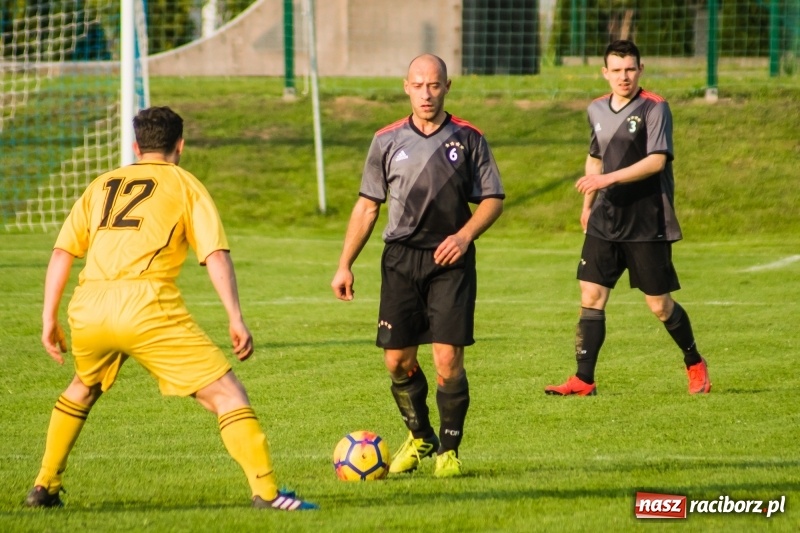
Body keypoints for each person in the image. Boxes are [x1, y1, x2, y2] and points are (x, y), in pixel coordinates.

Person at [25, 106, 317, 511]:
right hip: (146, 305)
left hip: (88, 304)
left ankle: (44, 485)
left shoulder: (103, 183)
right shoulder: (185, 184)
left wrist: (48, 318)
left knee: (83, 387)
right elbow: (214, 254)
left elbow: (62, 252)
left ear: (135, 145)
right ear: (180, 145)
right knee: (229, 395)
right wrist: (235, 317)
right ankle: (268, 494)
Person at [331, 54, 505, 478]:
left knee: (447, 360)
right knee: (396, 362)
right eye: (419, 85)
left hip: (451, 260)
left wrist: (464, 236)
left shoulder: (469, 139)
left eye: (435, 85)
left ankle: (449, 449)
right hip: (401, 261)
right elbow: (368, 206)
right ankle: (421, 434)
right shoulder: (386, 140)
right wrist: (344, 264)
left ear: (448, 87)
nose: (427, 94)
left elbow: (493, 199)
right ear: (406, 87)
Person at [545, 40, 711, 397]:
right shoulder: (595, 109)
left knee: (659, 306)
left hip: (647, 219)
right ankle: (583, 379)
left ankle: (694, 361)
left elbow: (656, 161)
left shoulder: (655, 108)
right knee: (591, 294)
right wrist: (588, 203)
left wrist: (605, 179)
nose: (624, 76)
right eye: (617, 70)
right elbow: (595, 157)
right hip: (606, 217)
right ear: (605, 73)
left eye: (630, 69)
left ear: (641, 70)